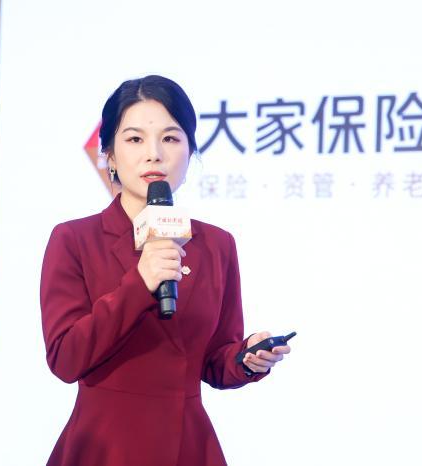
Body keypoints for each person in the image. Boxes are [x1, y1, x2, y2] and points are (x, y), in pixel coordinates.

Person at [40, 75, 291, 466]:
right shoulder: (74, 239)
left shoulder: (217, 245)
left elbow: (214, 361)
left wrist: (245, 358)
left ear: (191, 151)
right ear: (109, 155)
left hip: (186, 445)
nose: (154, 154)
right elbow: (65, 359)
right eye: (135, 139)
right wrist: (140, 283)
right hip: (105, 446)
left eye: (171, 138)